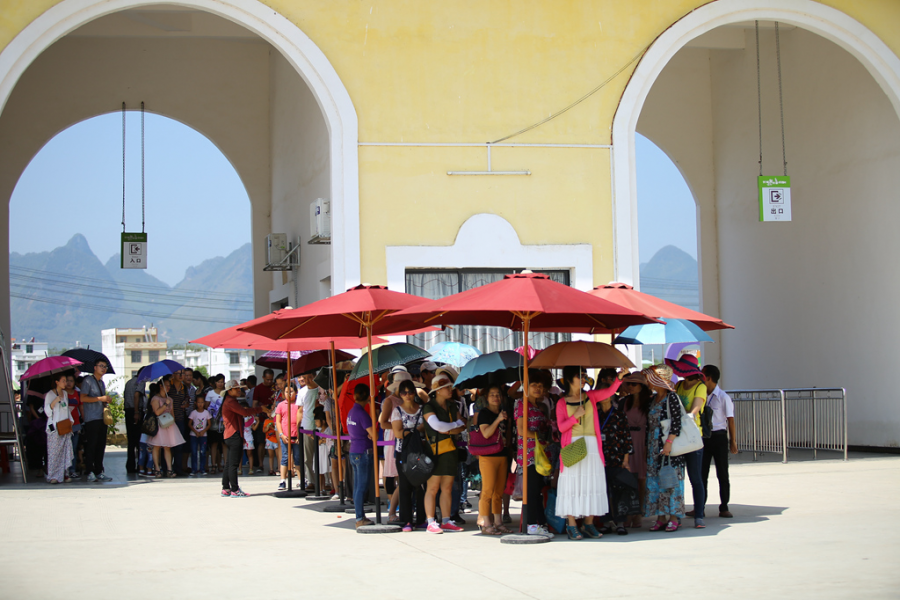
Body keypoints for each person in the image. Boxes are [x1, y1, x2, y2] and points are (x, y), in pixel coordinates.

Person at [555, 367, 626, 540]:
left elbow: (609, 391)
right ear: (570, 379)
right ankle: (571, 525)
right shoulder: (562, 403)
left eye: (585, 376)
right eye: (580, 376)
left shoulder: (591, 396)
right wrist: (574, 417)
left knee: (592, 484)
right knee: (571, 485)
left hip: (592, 445)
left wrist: (619, 378)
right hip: (573, 444)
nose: (584, 379)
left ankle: (589, 523)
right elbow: (561, 427)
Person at [666, 353, 708, 528]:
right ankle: (678, 513)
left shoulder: (700, 387)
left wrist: (689, 415)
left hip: (692, 437)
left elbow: (696, 408)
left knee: (695, 478)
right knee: (677, 478)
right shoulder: (679, 385)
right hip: (678, 436)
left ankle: (699, 515)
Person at [643, 365, 686, 532]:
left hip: (668, 445)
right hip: (653, 446)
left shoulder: (672, 398)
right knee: (656, 481)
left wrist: (669, 442)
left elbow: (677, 422)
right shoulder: (653, 399)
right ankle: (660, 517)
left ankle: (673, 517)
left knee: (670, 480)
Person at [422, 373, 466, 534]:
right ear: (438, 391)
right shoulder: (428, 406)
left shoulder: (453, 405)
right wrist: (452, 427)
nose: (450, 390)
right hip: (434, 451)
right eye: (446, 387)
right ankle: (431, 521)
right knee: (432, 488)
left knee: (447, 487)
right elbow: (437, 426)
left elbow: (463, 425)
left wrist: (449, 428)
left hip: (450, 450)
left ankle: (446, 520)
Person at [596, 375, 635, 536]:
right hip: (598, 459)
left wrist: (626, 460)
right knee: (601, 490)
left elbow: (626, 437)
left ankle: (620, 522)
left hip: (617, 458)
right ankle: (606, 522)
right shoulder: (594, 415)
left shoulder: (619, 414)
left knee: (619, 491)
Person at [515, 373, 553, 537]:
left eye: (540, 386)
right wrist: (541, 437)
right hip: (528, 454)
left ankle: (539, 523)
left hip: (540, 455)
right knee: (530, 491)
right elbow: (522, 430)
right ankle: (531, 524)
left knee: (537, 490)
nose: (537, 389)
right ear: (526, 386)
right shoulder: (521, 404)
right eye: (534, 385)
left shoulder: (539, 406)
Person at [699, 364, 737, 518]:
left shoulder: (723, 397)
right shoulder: (701, 395)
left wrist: (732, 441)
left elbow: (730, 420)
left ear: (708, 378)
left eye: (702, 376)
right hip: (704, 437)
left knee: (722, 473)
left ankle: (724, 506)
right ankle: (700, 506)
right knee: (702, 473)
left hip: (719, 436)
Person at [476, 384, 513, 535]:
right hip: (488, 456)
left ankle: (498, 522)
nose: (496, 397)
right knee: (487, 491)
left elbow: (508, 435)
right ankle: (486, 523)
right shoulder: (484, 414)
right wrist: (498, 419)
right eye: (492, 395)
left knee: (498, 491)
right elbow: (486, 434)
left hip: (502, 454)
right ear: (486, 398)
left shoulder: (504, 413)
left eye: (498, 394)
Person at [391, 378, 426, 532]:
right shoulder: (397, 411)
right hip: (403, 452)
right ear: (400, 394)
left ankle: (421, 519)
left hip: (420, 451)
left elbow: (428, 426)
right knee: (405, 486)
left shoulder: (423, 409)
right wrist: (416, 430)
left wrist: (409, 431)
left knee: (420, 486)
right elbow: (397, 433)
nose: (407, 395)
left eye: (410, 391)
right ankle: (406, 521)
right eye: (404, 392)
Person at [221, 380, 266, 497]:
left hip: (231, 435)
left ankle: (226, 488)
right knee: (233, 464)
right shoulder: (230, 401)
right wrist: (260, 409)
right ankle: (235, 490)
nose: (239, 390)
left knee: (229, 464)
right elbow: (244, 412)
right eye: (236, 388)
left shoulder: (229, 400)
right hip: (234, 435)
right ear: (229, 390)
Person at [621, 371, 652, 527]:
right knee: (627, 479)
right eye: (629, 384)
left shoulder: (649, 402)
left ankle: (639, 512)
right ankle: (628, 512)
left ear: (641, 386)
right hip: (628, 442)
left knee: (641, 479)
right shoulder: (624, 401)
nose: (630, 387)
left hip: (643, 442)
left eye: (634, 384)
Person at [347, 383, 376, 528]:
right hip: (363, 451)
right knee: (361, 486)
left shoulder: (352, 412)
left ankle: (360, 515)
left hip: (354, 450)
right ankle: (359, 517)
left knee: (358, 486)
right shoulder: (362, 414)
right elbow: (373, 435)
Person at [79, 359, 112, 482]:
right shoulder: (88, 380)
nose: (103, 369)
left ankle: (99, 470)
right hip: (91, 418)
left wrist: (106, 400)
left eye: (105, 367)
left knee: (101, 445)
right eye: (101, 366)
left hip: (101, 417)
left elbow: (100, 399)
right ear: (95, 367)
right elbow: (83, 398)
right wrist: (99, 398)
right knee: (91, 445)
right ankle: (90, 471)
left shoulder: (101, 383)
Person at [147, 376, 186, 477]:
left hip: (169, 424)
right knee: (157, 446)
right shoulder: (155, 398)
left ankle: (169, 469)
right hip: (159, 424)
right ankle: (157, 468)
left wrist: (173, 422)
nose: (168, 387)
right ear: (161, 386)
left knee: (167, 447)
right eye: (167, 385)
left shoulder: (170, 399)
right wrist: (165, 404)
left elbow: (172, 413)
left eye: (169, 386)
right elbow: (157, 412)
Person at [44, 372, 74, 484]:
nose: (65, 383)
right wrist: (54, 402)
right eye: (63, 381)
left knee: (65, 451)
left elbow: (66, 409)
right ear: (57, 382)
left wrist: (70, 420)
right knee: (54, 452)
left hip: (64, 425)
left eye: (66, 381)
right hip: (54, 426)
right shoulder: (50, 395)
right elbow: (47, 412)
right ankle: (53, 475)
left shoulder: (65, 393)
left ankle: (64, 473)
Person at [274, 383, 300, 491]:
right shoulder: (280, 405)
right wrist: (281, 434)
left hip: (296, 435)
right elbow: (278, 421)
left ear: (296, 392)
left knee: (298, 458)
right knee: (285, 457)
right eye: (286, 392)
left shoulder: (299, 404)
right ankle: (282, 480)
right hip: (285, 436)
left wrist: (299, 435)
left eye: (291, 391)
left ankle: (301, 480)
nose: (288, 394)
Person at [298, 373, 320, 490]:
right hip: (306, 426)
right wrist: (298, 428)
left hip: (321, 426)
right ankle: (311, 481)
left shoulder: (321, 388)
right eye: (304, 377)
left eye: (309, 377)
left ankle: (325, 481)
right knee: (307, 456)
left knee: (321, 455)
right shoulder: (302, 391)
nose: (307, 380)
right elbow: (300, 410)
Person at [168, 369, 190, 475]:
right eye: (179, 373)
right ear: (173, 374)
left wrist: (186, 403)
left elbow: (187, 398)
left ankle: (178, 468)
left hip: (180, 418)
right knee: (167, 445)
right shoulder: (169, 386)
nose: (182, 376)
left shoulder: (183, 387)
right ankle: (167, 468)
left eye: (183, 374)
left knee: (179, 445)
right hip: (168, 419)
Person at [253, 369, 275, 471]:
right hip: (262, 419)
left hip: (274, 418)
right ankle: (261, 465)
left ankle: (277, 465)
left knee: (276, 442)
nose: (270, 382)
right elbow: (254, 403)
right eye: (267, 380)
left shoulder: (275, 387)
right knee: (261, 442)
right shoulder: (258, 388)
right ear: (263, 378)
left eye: (271, 379)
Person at [205, 375, 226, 473]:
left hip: (224, 421)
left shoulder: (226, 393)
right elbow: (206, 406)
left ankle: (225, 464)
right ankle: (213, 465)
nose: (220, 384)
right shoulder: (210, 393)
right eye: (218, 382)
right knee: (214, 443)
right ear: (215, 383)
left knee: (224, 443)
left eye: (222, 382)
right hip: (213, 421)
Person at [123, 374, 143, 473]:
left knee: (131, 441)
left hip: (128, 411)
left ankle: (130, 466)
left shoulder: (128, 382)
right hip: (136, 412)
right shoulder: (140, 381)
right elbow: (136, 395)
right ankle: (140, 465)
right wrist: (136, 411)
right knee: (139, 441)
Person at [188, 395, 211, 476]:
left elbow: (209, 424)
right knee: (194, 452)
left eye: (202, 402)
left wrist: (203, 431)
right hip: (193, 435)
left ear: (204, 403)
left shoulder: (206, 413)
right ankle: (194, 469)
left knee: (203, 452)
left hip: (203, 435)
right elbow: (190, 424)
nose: (200, 404)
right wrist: (196, 432)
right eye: (198, 402)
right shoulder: (193, 413)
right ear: (195, 403)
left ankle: (202, 469)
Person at [64, 373, 82, 479]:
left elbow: (81, 407)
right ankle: (63, 470)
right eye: (67, 380)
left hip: (75, 424)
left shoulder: (77, 393)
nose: (69, 383)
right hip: (64, 425)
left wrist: (83, 421)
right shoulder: (60, 394)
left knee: (73, 448)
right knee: (64, 448)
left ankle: (72, 469)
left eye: (71, 381)